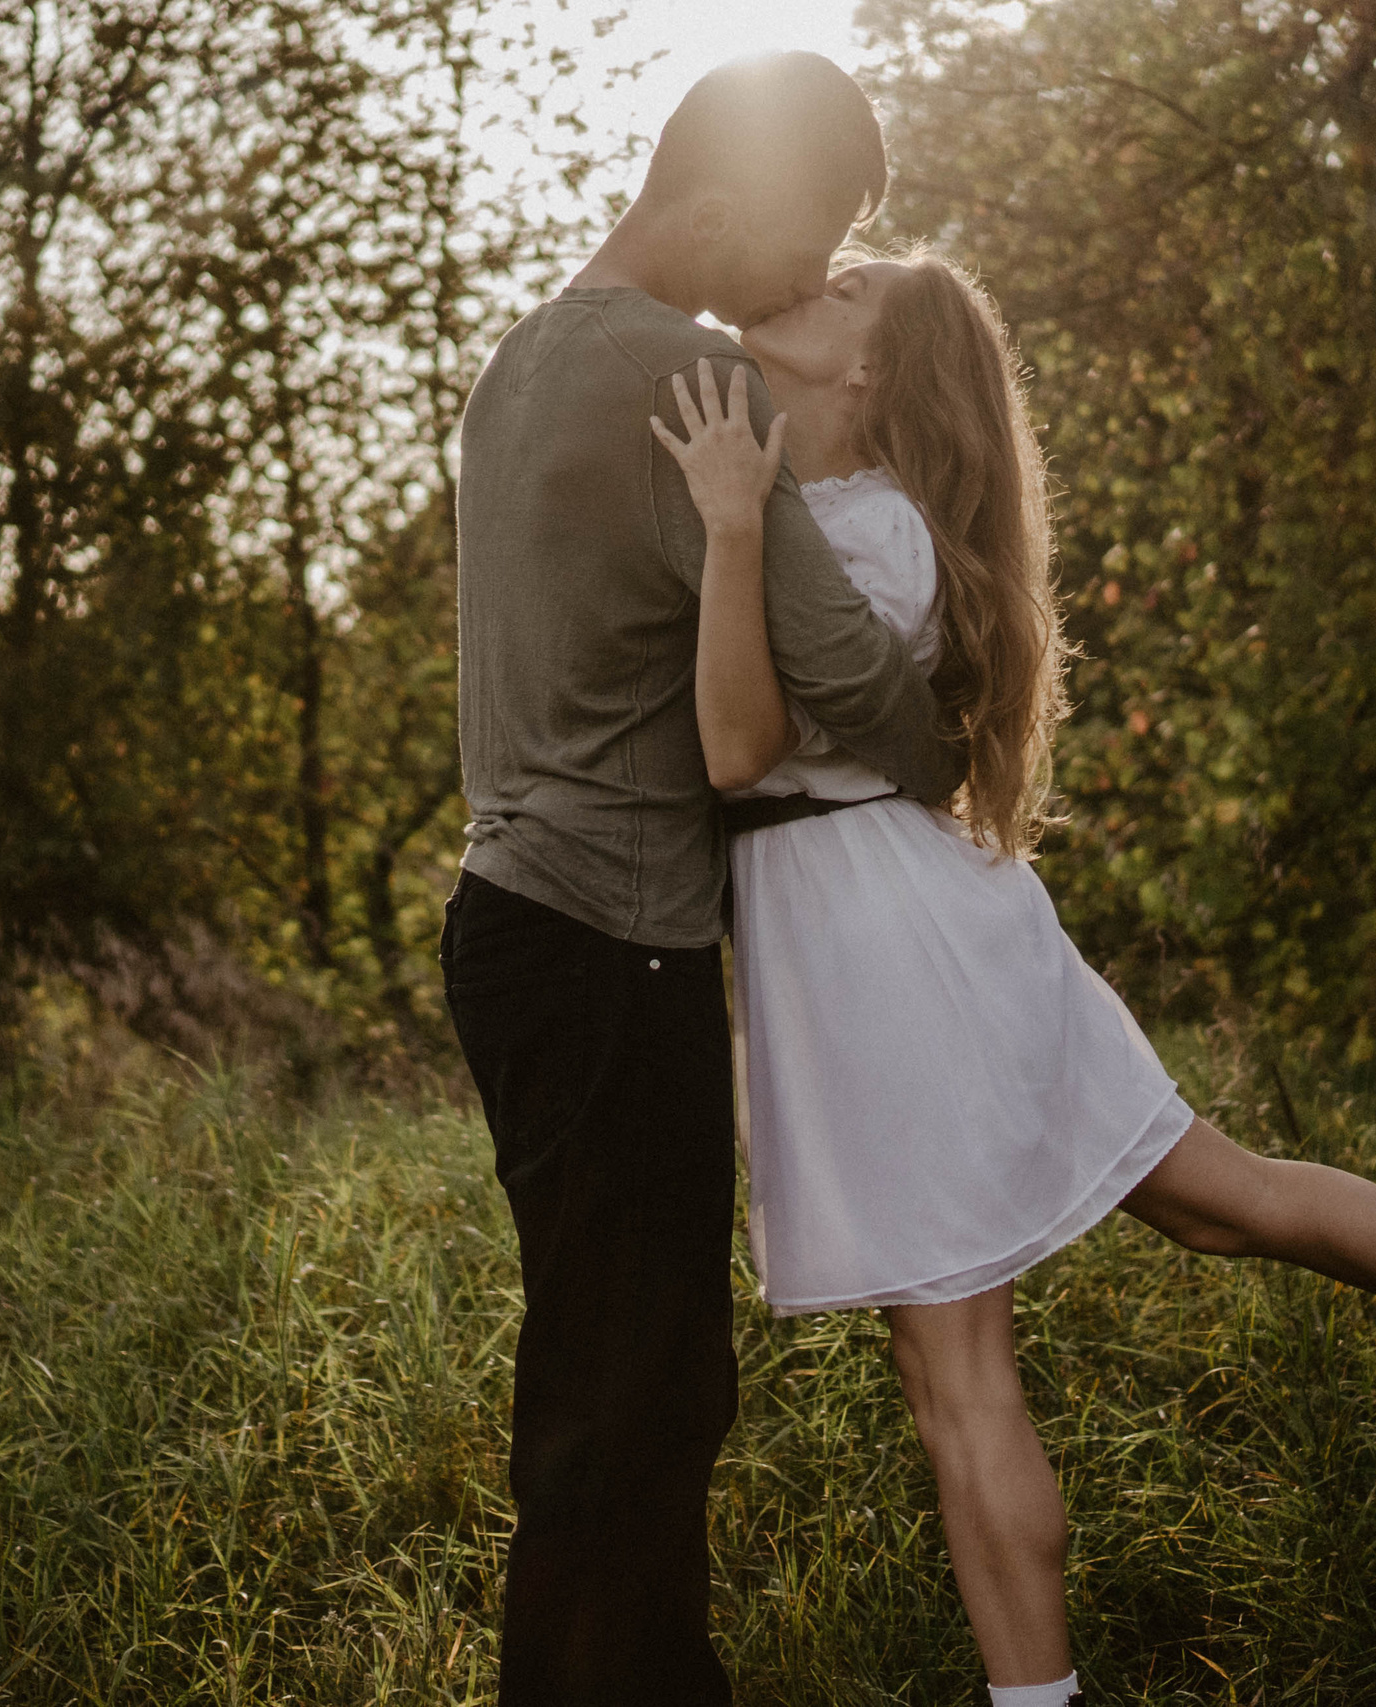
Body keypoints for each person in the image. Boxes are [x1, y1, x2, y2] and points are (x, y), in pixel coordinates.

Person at [651, 249, 1376, 1707]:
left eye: (841, 290)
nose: (800, 286)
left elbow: (731, 748)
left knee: (960, 1385)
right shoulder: (857, 519)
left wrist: (724, 524)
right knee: (1221, 1200)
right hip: (909, 925)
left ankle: (1046, 1701)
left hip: (887, 950)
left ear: (869, 370)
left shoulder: (860, 535)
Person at [439, 53, 965, 1707]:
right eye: (811, 238)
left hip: (518, 926)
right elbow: (836, 659)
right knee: (629, 1401)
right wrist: (950, 748)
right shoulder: (682, 377)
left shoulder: (522, 363)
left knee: (623, 1386)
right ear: (716, 202)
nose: (813, 279)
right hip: (612, 947)